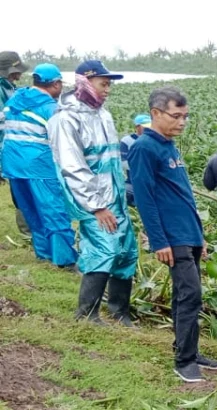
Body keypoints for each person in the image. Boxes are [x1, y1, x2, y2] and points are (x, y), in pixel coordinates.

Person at [129, 85, 217, 382]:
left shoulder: (169, 145)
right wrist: (158, 240)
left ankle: (190, 351)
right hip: (172, 236)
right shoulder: (144, 148)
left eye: (186, 116)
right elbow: (145, 198)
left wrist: (200, 236)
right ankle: (183, 362)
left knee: (188, 296)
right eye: (176, 115)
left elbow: (182, 195)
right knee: (190, 294)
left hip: (188, 233)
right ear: (156, 114)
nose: (182, 121)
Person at [48, 60, 137, 326]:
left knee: (126, 249)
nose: (107, 89)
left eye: (109, 85)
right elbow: (73, 167)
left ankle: (119, 311)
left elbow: (111, 161)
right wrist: (96, 205)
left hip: (115, 197)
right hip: (94, 201)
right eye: (103, 84)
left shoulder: (102, 114)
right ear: (84, 82)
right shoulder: (65, 119)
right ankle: (86, 314)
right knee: (103, 248)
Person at [1, 64, 77, 268]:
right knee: (53, 210)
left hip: (13, 165)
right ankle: (65, 259)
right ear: (55, 83)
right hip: (40, 167)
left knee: (31, 210)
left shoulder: (15, 98)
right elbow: (62, 142)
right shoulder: (50, 108)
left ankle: (43, 254)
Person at [0, 51, 31, 236]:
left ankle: (28, 227)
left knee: (21, 184)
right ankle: (27, 229)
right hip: (6, 145)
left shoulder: (11, 87)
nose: (18, 75)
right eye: (14, 72)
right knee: (19, 185)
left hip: (15, 145)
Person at [120, 113, 151, 207]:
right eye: (145, 127)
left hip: (152, 181)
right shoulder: (126, 141)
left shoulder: (153, 140)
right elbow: (123, 162)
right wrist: (142, 168)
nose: (148, 129)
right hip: (133, 181)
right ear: (137, 127)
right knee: (124, 192)